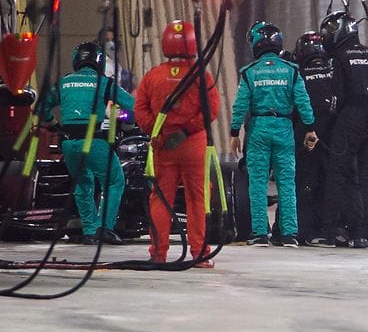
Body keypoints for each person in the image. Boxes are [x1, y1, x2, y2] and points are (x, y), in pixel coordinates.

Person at [134, 21, 220, 266]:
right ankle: (199, 253)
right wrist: (185, 131)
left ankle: (158, 253)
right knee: (198, 198)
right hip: (193, 143)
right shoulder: (201, 75)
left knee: (160, 198)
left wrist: (157, 132)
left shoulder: (153, 76)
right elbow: (212, 109)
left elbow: (140, 109)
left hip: (163, 145)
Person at [229, 21, 317, 248]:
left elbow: (240, 105)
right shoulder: (291, 70)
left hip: (258, 128)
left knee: (257, 183)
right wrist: (310, 128)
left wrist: (234, 131)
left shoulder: (250, 72)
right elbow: (303, 101)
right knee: (287, 182)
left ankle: (259, 233)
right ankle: (289, 234)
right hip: (284, 128)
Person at [41, 42, 134, 245]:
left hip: (69, 145)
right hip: (95, 142)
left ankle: (90, 231)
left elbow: (41, 107)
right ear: (99, 61)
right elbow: (133, 107)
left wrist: (54, 124)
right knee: (114, 181)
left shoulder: (63, 82)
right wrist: (129, 118)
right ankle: (105, 228)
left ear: (77, 60)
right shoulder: (105, 83)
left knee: (83, 184)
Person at [317, 11, 368, 249]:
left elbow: (336, 96)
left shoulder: (340, 57)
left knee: (337, 176)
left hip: (349, 119)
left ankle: (328, 234)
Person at [291, 31, 336, 246]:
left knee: (303, 182)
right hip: (331, 137)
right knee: (329, 182)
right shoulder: (332, 73)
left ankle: (299, 229)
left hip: (305, 135)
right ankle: (328, 227)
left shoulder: (297, 74)